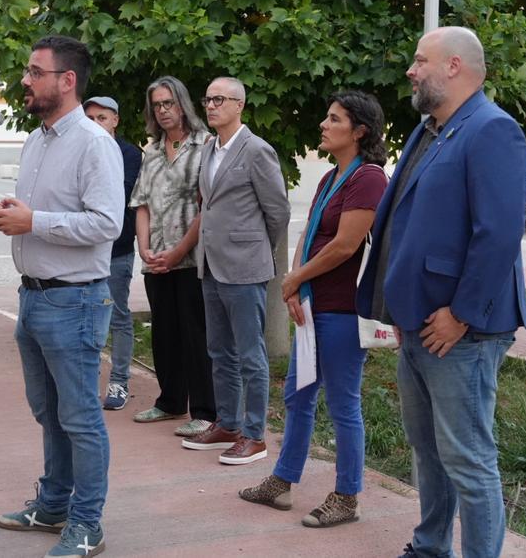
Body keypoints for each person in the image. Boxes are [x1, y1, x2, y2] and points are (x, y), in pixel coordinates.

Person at [355, 26, 526, 558]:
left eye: (420, 60)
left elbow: (498, 235)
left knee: (468, 460)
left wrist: (461, 313)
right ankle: (430, 547)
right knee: (427, 452)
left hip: (461, 330)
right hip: (419, 320)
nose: (411, 71)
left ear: (454, 66)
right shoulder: (429, 129)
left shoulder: (493, 130)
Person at [0, 35, 124, 558]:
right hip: (33, 297)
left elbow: (106, 223)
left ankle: (87, 524)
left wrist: (34, 221)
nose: (25, 80)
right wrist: (18, 214)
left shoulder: (94, 142)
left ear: (67, 81)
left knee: (81, 418)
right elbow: (46, 212)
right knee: (49, 412)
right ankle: (53, 506)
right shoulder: (37, 139)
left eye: (34, 72)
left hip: (74, 302)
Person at [239, 91, 388, 527]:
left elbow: (345, 245)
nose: (323, 124)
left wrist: (296, 279)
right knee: (298, 395)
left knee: (343, 404)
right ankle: (282, 482)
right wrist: (294, 283)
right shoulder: (329, 177)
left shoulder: (369, 178)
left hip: (343, 311)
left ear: (359, 131)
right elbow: (309, 235)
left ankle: (347, 497)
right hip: (311, 305)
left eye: (334, 119)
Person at [183, 76, 290, 465]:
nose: (211, 106)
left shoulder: (257, 150)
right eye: (208, 99)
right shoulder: (209, 148)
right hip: (211, 264)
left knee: (249, 354)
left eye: (220, 100)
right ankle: (227, 424)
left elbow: (277, 211)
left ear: (239, 105)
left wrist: (255, 248)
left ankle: (254, 434)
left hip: (245, 266)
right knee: (219, 350)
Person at [127, 76, 217, 438]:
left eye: (169, 103)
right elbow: (142, 204)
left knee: (196, 335)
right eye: (157, 105)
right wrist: (144, 248)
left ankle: (205, 411)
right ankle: (170, 401)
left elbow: (207, 207)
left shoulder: (205, 146)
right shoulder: (151, 152)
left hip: (191, 258)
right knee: (164, 334)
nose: (163, 111)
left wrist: (178, 251)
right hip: (156, 260)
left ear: (183, 104)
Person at [82, 95, 143, 411]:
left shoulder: (129, 154)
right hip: (81, 250)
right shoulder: (78, 150)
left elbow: (117, 195)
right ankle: (87, 382)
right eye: (90, 119)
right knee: (84, 316)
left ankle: (119, 382)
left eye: (102, 118)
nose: (95, 124)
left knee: (117, 316)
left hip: (116, 251)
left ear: (116, 120)